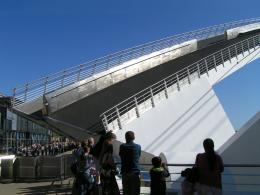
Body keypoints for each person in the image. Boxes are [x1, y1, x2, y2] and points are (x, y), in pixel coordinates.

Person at [119, 131, 141, 195]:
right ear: (133, 137)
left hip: (125, 172)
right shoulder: (138, 147)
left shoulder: (122, 146)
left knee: (126, 192)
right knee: (135, 192)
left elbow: (121, 155)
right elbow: (138, 156)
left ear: (125, 138)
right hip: (135, 173)